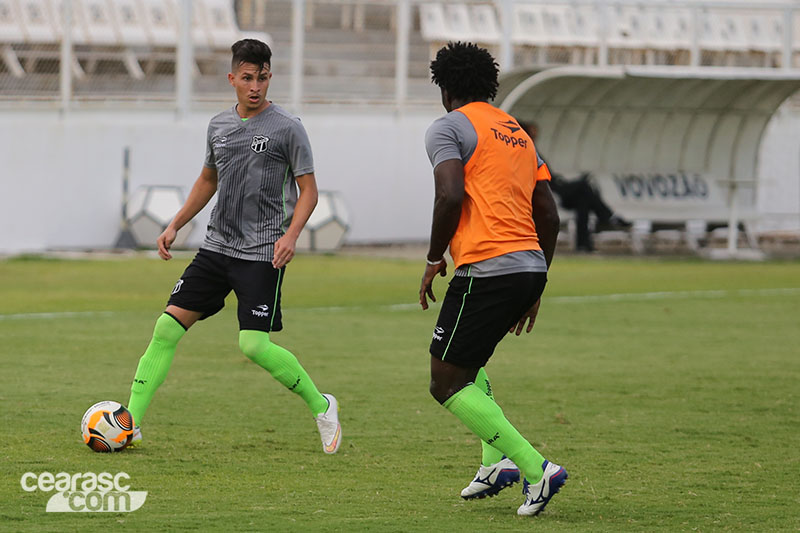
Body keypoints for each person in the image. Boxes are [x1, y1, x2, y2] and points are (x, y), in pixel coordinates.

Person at [125, 39, 341, 454]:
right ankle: (130, 423)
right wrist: (175, 223)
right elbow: (208, 180)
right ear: (232, 79)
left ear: (268, 77)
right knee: (166, 327)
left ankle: (322, 404)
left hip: (262, 251)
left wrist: (291, 236)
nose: (255, 86)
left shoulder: (287, 127)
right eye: (246, 78)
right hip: (216, 248)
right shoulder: (219, 127)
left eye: (261, 77)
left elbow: (309, 190)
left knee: (253, 345)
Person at [419, 42, 567, 517]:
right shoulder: (518, 134)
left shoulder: (448, 127)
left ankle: (534, 467)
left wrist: (432, 257)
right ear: (490, 85)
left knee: (444, 382)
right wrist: (537, 278)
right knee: (470, 359)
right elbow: (548, 212)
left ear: (445, 87)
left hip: (486, 266)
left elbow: (449, 195)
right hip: (527, 265)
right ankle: (494, 463)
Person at [518, 120, 632, 252]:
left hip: (557, 186)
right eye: (532, 131)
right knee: (584, 185)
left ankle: (583, 244)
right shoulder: (527, 148)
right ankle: (606, 216)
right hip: (553, 191)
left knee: (583, 202)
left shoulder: (530, 148)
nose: (535, 135)